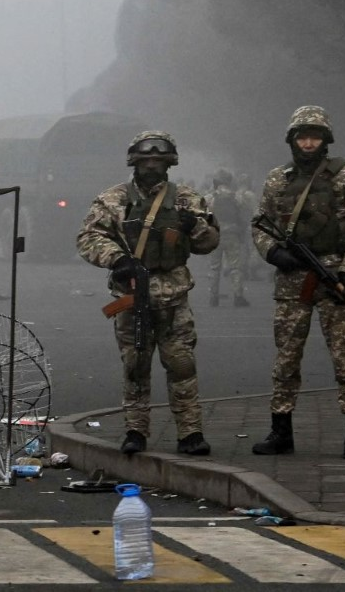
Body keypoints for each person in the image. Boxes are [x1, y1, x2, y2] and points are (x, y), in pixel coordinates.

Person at [76, 130, 219, 456]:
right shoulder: (113, 199)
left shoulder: (187, 200)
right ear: (134, 162)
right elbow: (88, 237)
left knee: (182, 365)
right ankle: (135, 431)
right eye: (146, 160)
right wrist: (117, 259)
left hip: (174, 297)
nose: (152, 166)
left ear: (169, 163)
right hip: (132, 296)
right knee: (135, 366)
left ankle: (190, 433)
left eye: (159, 160)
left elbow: (209, 243)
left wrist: (195, 227)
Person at [251, 106, 345, 459]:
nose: (308, 143)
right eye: (302, 137)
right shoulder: (278, 179)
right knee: (286, 358)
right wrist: (274, 253)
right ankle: (281, 431)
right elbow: (260, 225)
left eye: (315, 137)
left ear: (326, 140)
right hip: (292, 281)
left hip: (334, 277)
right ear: (292, 140)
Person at [207, 168, 249, 307]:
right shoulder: (236, 197)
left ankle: (213, 297)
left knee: (214, 267)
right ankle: (238, 296)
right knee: (235, 266)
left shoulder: (210, 197)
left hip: (214, 235)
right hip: (232, 234)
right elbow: (244, 214)